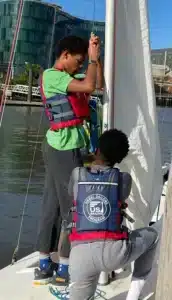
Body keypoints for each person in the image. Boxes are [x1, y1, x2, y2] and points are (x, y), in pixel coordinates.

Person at [34, 35, 103, 285]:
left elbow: (97, 83)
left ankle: (44, 264)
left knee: (52, 204)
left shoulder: (69, 78)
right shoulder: (53, 76)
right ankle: (64, 268)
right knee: (72, 209)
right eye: (79, 61)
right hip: (64, 147)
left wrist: (96, 57)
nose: (81, 66)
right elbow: (89, 88)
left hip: (59, 147)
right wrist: (93, 60)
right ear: (64, 55)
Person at [66, 129, 159, 300]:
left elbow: (73, 192)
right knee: (153, 236)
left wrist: (89, 160)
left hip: (80, 255)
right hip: (114, 253)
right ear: (120, 159)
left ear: (97, 150)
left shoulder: (77, 174)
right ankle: (133, 296)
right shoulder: (124, 179)